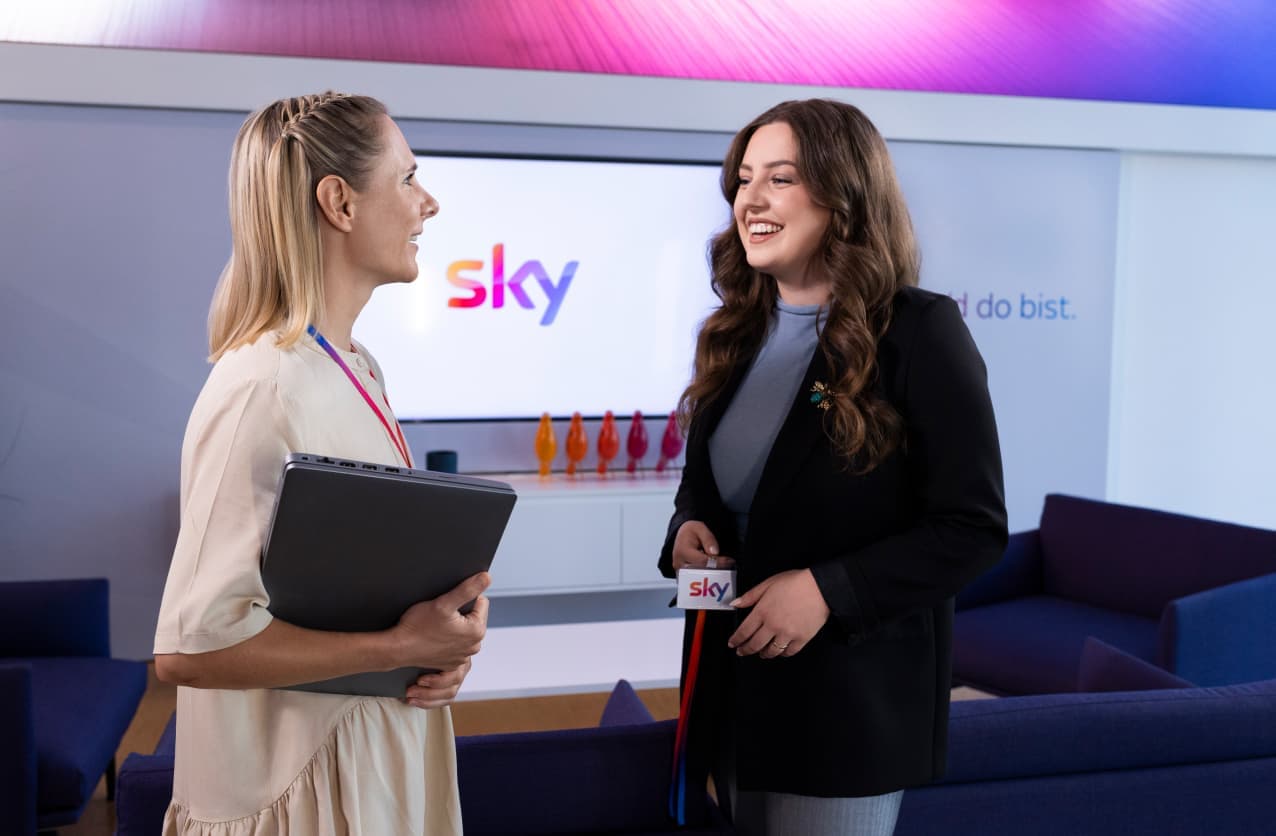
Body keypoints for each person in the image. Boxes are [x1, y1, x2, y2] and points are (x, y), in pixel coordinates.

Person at [658, 98, 1008, 836]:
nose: (751, 198)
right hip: (737, 697)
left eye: (780, 178)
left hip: (849, 710)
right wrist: (690, 523)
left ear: (842, 193)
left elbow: (972, 527)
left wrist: (827, 590)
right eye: (744, 178)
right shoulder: (734, 334)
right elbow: (714, 484)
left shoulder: (920, 331)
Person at [153, 92, 487, 835]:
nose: (427, 203)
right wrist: (398, 646)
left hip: (369, 761)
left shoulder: (355, 367)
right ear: (338, 201)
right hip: (296, 792)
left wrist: (438, 643)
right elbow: (188, 647)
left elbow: (357, 586)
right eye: (407, 179)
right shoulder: (261, 387)